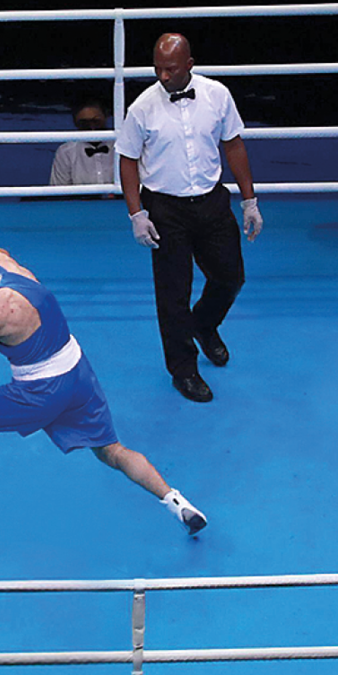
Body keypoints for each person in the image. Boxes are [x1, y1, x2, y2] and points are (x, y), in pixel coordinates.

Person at [0, 227, 207, 533]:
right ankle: (176, 501)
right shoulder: (4, 264)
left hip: (41, 389)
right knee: (111, 450)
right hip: (78, 372)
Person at [117, 31, 260, 403]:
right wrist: (136, 213)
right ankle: (183, 370)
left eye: (171, 69)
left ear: (190, 66)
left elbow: (234, 144)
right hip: (165, 208)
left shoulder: (217, 95)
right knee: (172, 295)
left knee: (231, 277)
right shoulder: (142, 108)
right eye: (158, 69)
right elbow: (128, 160)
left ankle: (204, 324)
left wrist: (250, 201)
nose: (163, 77)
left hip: (212, 201)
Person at [50, 99, 117, 188]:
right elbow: (58, 192)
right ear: (75, 122)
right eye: (84, 123)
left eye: (96, 121)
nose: (91, 127)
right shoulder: (66, 152)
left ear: (106, 117)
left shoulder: (121, 146)